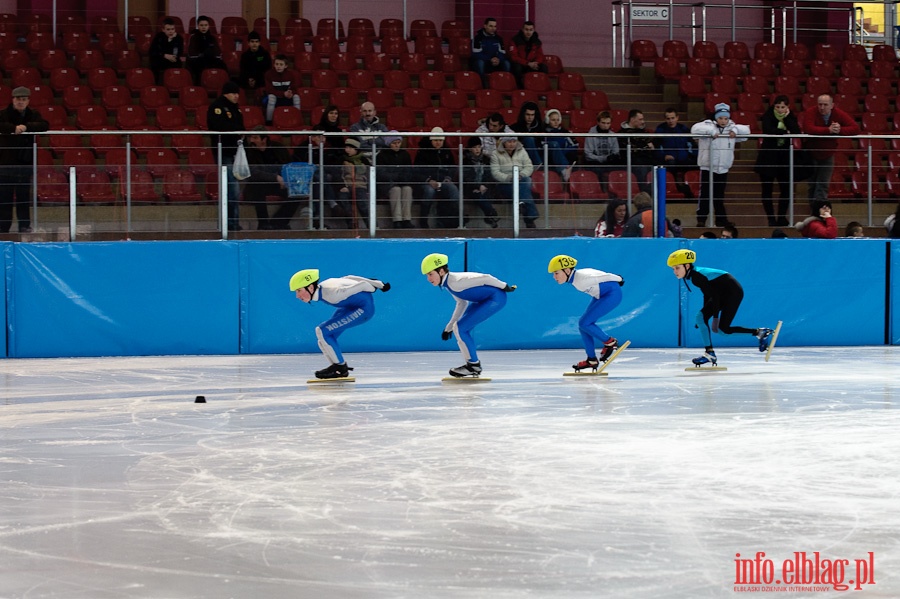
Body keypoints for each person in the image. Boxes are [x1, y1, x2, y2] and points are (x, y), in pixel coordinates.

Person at [666, 248, 776, 367]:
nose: (675, 271)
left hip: (732, 292)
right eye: (673, 269)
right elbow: (708, 295)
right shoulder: (694, 276)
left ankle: (710, 353)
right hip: (725, 292)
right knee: (718, 328)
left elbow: (715, 296)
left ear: (687, 266)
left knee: (719, 327)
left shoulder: (697, 276)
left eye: (677, 268)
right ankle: (760, 332)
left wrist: (715, 318)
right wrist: (705, 317)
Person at [420, 252, 515, 378]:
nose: (428, 279)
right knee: (458, 327)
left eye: (430, 274)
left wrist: (504, 286)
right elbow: (461, 303)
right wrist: (448, 327)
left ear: (441, 271)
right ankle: (472, 364)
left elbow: (485, 278)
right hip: (485, 299)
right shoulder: (449, 283)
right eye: (427, 275)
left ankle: (473, 365)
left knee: (461, 328)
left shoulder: (456, 282)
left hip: (495, 298)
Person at [289, 269, 390, 379]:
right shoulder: (325, 286)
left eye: (299, 290)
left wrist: (374, 286)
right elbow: (349, 277)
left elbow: (363, 285)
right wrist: (379, 284)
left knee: (322, 331)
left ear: (311, 288)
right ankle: (336, 367)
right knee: (324, 337)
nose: (297, 296)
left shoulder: (332, 294)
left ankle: (340, 368)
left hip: (363, 309)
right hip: (352, 307)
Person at [548, 254, 624, 372]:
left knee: (585, 323)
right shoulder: (579, 277)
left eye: (556, 273)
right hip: (601, 295)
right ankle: (591, 359)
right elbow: (595, 272)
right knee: (583, 325)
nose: (554, 277)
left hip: (612, 295)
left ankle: (609, 342)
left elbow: (606, 276)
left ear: (567, 270)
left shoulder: (582, 279)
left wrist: (619, 279)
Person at [691, 103, 750, 228]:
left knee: (719, 196)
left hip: (723, 168)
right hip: (707, 167)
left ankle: (720, 220)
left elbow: (747, 131)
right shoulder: (707, 124)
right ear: (716, 117)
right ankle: (701, 219)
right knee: (705, 195)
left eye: (725, 118)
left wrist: (735, 130)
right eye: (720, 118)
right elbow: (694, 129)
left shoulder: (732, 127)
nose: (723, 121)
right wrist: (711, 131)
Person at [0, 87, 48, 234]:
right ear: (13, 99)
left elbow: (44, 125)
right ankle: (3, 228)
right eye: (18, 99)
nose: (21, 102)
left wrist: (26, 127)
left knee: (23, 197)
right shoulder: (3, 114)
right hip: (5, 162)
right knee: (4, 198)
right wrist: (13, 128)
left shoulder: (33, 114)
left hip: (24, 161)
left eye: (24, 99)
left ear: (28, 101)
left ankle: (24, 226)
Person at [801, 94, 859, 202]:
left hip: (828, 153)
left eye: (825, 105)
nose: (822, 107)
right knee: (812, 184)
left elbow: (855, 128)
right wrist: (828, 130)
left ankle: (820, 212)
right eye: (820, 104)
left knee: (823, 184)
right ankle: (813, 210)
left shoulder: (838, 113)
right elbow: (808, 128)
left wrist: (839, 130)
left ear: (832, 105)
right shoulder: (811, 112)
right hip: (811, 153)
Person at [754, 95, 802, 227]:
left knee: (786, 189)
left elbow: (796, 130)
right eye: (778, 107)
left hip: (784, 157)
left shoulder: (790, 116)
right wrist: (784, 131)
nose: (780, 110)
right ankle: (771, 218)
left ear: (787, 107)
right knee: (767, 189)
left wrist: (787, 118)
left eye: (783, 107)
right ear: (773, 106)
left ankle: (781, 217)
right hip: (768, 157)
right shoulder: (768, 115)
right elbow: (769, 130)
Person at [207, 81, 245, 231]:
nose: (236, 96)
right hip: (224, 152)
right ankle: (230, 223)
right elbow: (219, 126)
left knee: (233, 189)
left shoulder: (236, 109)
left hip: (235, 152)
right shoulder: (216, 107)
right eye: (233, 93)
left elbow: (241, 127)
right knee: (232, 189)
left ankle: (233, 222)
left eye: (237, 94)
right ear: (226, 93)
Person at [244, 125, 297, 230]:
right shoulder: (248, 151)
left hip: (279, 183)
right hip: (257, 184)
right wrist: (275, 177)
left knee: (297, 193)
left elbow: (288, 166)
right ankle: (263, 224)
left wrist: (285, 179)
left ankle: (278, 222)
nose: (251, 140)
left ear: (264, 139)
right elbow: (253, 173)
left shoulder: (279, 148)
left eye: (255, 138)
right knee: (257, 191)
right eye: (251, 137)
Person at [413, 127, 461, 228]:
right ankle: (423, 219)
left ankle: (455, 220)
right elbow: (417, 171)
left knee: (453, 189)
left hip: (443, 181)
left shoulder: (447, 151)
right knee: (429, 191)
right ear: (431, 140)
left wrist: (448, 178)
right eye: (435, 140)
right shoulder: (422, 152)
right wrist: (429, 180)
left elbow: (452, 167)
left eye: (440, 140)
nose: (438, 143)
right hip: (427, 182)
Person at [491, 136, 539, 228]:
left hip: (520, 179)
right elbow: (495, 173)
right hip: (505, 183)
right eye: (509, 141)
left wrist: (520, 175)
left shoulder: (522, 151)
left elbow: (529, 167)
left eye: (514, 141)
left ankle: (522, 203)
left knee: (527, 180)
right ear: (504, 143)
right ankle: (530, 217)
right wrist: (509, 178)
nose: (512, 144)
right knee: (525, 187)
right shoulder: (495, 154)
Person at [377, 131, 414, 229]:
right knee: (396, 190)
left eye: (398, 143)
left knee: (407, 189)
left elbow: (409, 170)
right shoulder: (381, 155)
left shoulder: (405, 154)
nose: (397, 145)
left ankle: (407, 219)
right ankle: (397, 220)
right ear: (389, 143)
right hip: (387, 184)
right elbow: (381, 173)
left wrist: (404, 178)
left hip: (403, 182)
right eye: (394, 143)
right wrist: (395, 177)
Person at [654, 108, 696, 193]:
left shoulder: (683, 129)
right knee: (671, 164)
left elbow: (691, 144)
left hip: (683, 158)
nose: (670, 121)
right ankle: (677, 186)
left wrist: (690, 155)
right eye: (668, 118)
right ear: (665, 119)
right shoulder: (660, 129)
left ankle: (689, 189)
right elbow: (657, 147)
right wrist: (664, 156)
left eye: (672, 118)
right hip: (669, 159)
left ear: (677, 118)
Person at [462, 137, 500, 228]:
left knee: (485, 193)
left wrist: (484, 186)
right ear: (470, 148)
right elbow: (466, 178)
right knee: (477, 194)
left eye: (479, 147)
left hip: (486, 187)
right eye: (475, 147)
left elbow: (490, 175)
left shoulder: (486, 160)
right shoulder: (465, 161)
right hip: (470, 188)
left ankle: (489, 216)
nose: (477, 149)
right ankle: (491, 214)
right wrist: (478, 186)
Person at [618, 109, 656, 193]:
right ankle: (644, 193)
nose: (643, 122)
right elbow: (629, 151)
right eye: (640, 119)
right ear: (632, 119)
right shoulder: (621, 134)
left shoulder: (645, 133)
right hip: (631, 162)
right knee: (641, 167)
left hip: (646, 159)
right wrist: (644, 147)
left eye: (643, 119)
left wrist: (643, 148)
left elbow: (651, 148)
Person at [583, 111, 621, 190]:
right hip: (594, 161)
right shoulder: (590, 134)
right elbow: (588, 154)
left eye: (608, 123)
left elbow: (616, 151)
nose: (605, 126)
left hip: (609, 161)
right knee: (597, 169)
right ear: (598, 122)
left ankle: (616, 191)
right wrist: (603, 158)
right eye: (603, 123)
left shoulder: (613, 135)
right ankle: (599, 191)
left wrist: (609, 158)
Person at [338, 138, 371, 228]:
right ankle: (352, 223)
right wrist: (342, 186)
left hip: (360, 185)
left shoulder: (364, 160)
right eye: (346, 147)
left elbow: (369, 175)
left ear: (356, 149)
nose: (347, 150)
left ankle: (371, 225)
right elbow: (337, 174)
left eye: (349, 148)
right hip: (347, 185)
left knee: (362, 203)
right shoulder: (341, 159)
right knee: (343, 199)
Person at [471, 17, 510, 87]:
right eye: (491, 26)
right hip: (484, 61)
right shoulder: (478, 38)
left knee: (506, 63)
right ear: (485, 26)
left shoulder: (499, 39)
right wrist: (490, 59)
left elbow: (502, 52)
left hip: (495, 62)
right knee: (480, 63)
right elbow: (476, 53)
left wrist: (498, 59)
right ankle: (483, 86)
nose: (493, 28)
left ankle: (504, 85)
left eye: (495, 26)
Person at [263, 54, 301, 125]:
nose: (278, 66)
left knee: (296, 97)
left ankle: (298, 119)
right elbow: (269, 90)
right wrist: (283, 93)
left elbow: (294, 88)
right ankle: (269, 122)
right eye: (276, 64)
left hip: (286, 97)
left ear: (285, 66)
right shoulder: (268, 74)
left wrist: (291, 92)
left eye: (281, 64)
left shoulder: (291, 75)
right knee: (271, 97)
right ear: (274, 65)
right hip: (274, 97)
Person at [186, 15, 226, 84]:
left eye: (205, 25)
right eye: (201, 25)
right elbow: (191, 53)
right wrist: (203, 54)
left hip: (210, 60)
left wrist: (211, 55)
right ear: (198, 26)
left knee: (222, 64)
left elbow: (218, 53)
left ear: (208, 26)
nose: (203, 27)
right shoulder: (193, 37)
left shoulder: (212, 37)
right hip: (198, 61)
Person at [509, 20, 547, 88]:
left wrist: (536, 63)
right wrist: (527, 63)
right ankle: (519, 88)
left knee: (543, 68)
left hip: (532, 64)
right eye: (526, 29)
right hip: (521, 64)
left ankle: (540, 88)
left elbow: (540, 55)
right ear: (522, 29)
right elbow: (514, 57)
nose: (528, 32)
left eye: (531, 30)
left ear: (533, 30)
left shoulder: (537, 42)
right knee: (517, 68)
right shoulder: (515, 40)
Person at [544, 109, 578, 181]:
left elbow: (575, 145)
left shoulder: (565, 132)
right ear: (547, 120)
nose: (556, 122)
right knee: (554, 144)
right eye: (553, 120)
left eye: (557, 119)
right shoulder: (543, 132)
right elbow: (542, 147)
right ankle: (564, 169)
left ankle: (565, 169)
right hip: (549, 159)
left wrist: (561, 153)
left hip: (565, 158)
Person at [148, 18, 184, 84]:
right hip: (160, 59)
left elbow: (179, 52)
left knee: (177, 63)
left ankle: (175, 85)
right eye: (168, 29)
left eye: (172, 29)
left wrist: (171, 41)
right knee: (155, 61)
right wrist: (165, 55)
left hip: (173, 59)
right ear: (163, 30)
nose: (171, 31)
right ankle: (157, 85)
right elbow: (153, 51)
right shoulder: (158, 37)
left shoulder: (178, 38)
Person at [237, 31, 272, 100]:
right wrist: (249, 79)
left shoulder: (265, 54)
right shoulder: (245, 55)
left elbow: (267, 69)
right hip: (248, 79)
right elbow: (243, 69)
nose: (254, 44)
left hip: (261, 79)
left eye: (256, 42)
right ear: (248, 43)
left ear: (259, 43)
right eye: (252, 42)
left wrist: (255, 79)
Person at [511, 101, 544, 167]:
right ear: (523, 114)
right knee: (529, 139)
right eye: (528, 114)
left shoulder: (541, 127)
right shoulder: (515, 127)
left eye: (532, 115)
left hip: (538, 151)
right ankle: (537, 164)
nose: (530, 118)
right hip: (521, 154)